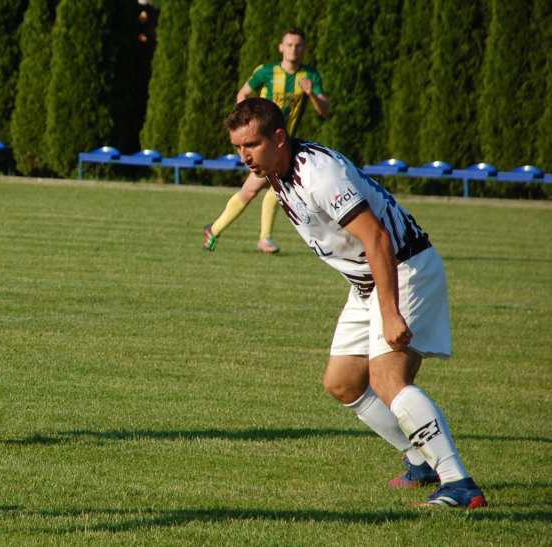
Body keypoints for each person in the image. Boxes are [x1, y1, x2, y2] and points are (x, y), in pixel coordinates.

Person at [223, 98, 487, 509]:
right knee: (343, 382)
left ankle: (459, 483)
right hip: (365, 281)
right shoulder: (275, 168)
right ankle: (421, 461)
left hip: (403, 268)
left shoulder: (320, 173)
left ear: (278, 138)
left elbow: (377, 238)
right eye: (238, 147)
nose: (244, 156)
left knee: (388, 380)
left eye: (251, 145)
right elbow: (247, 191)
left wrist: (390, 311)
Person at [204, 28, 329, 254]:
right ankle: (217, 230)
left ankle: (255, 236)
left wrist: (311, 94)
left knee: (274, 187)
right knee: (254, 190)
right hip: (263, 146)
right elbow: (242, 95)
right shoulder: (266, 72)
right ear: (281, 47)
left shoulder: (309, 77)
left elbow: (325, 111)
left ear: (304, 48)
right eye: (289, 45)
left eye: (298, 45)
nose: (293, 49)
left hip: (284, 145)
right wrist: (247, 127)